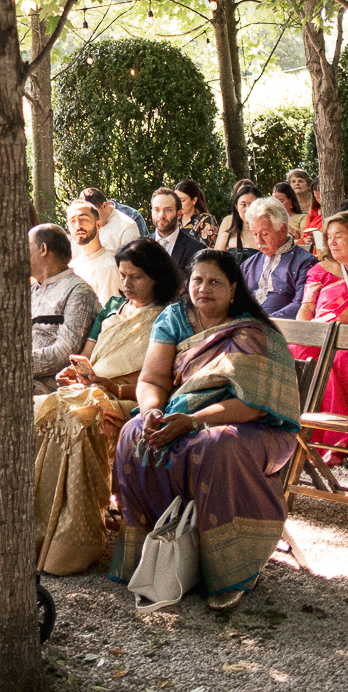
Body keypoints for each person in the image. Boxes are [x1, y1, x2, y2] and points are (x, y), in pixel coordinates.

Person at [109, 249, 300, 610]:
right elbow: (152, 378)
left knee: (217, 445)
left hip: (254, 425)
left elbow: (253, 404)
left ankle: (230, 571)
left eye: (214, 282)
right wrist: (151, 411)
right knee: (134, 433)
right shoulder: (175, 317)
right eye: (197, 280)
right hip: (182, 416)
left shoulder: (252, 331)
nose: (204, 288)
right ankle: (154, 557)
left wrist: (194, 420)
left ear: (232, 289)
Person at [35, 238, 179, 575]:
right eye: (123, 275)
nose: (126, 284)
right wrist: (77, 373)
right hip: (95, 388)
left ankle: (72, 541)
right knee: (38, 411)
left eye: (136, 277)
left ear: (156, 277)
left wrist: (112, 387)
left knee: (78, 421)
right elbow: (91, 357)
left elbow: (163, 383)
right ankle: (39, 533)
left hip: (131, 397)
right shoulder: (114, 307)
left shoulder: (169, 316)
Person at [290, 211, 348, 459]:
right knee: (298, 350)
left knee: (338, 359)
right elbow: (306, 306)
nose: (332, 242)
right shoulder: (320, 269)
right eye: (329, 236)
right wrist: (303, 332)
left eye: (340, 236)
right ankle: (295, 435)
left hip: (342, 336)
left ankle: (337, 439)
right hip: (319, 333)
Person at [30, 223, 100, 394]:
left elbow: (65, 353)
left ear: (43, 249)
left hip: (50, 384)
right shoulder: (33, 290)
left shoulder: (78, 291)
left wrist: (12, 365)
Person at [239, 196, 318, 319]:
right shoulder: (248, 265)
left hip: (282, 331)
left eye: (264, 234)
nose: (259, 241)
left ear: (282, 230)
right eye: (255, 234)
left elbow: (302, 305)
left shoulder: (306, 263)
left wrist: (266, 322)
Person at [67, 199, 122, 305]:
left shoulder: (108, 269)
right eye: (73, 221)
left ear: (98, 225)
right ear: (69, 228)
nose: (78, 225)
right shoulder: (73, 265)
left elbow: (108, 317)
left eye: (84, 219)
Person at [149, 188, 205, 277]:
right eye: (157, 210)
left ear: (179, 214)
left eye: (167, 210)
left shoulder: (197, 250)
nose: (161, 215)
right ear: (151, 212)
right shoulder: (140, 246)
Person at [80, 188, 140, 252]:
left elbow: (130, 260)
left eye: (95, 214)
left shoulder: (127, 227)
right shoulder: (80, 225)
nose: (92, 219)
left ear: (105, 206)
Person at [215, 181, 259, 256]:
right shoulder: (227, 235)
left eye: (252, 204)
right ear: (236, 206)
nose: (248, 209)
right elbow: (216, 262)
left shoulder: (268, 234)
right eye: (243, 204)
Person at [286, 167, 324, 252]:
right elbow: (306, 235)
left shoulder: (315, 205)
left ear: (308, 186)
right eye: (293, 181)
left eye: (300, 181)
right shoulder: (289, 205)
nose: (297, 184)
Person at [174, 179, 219, 246]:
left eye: (182, 201)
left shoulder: (206, 220)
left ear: (194, 200)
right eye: (176, 200)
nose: (179, 204)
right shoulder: (175, 220)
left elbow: (205, 250)